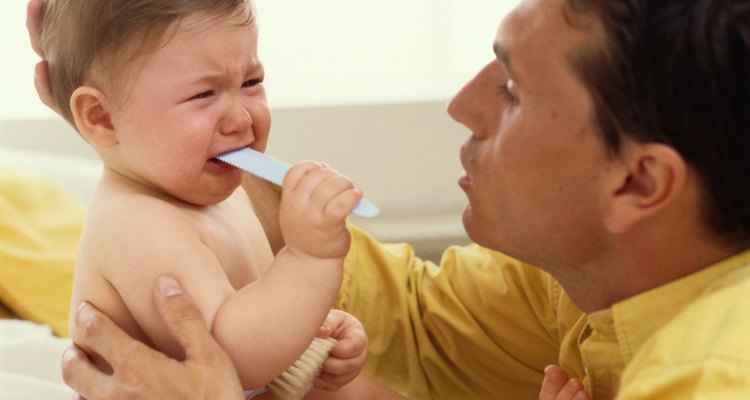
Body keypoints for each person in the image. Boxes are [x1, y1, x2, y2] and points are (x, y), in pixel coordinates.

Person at [29, 0, 750, 398]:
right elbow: (419, 320)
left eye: (511, 89)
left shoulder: (715, 376)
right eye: (204, 89)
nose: (462, 107)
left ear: (640, 183)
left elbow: (241, 352)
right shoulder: (592, 270)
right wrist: (136, 110)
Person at [37, 0, 367, 397]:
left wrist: (312, 326)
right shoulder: (139, 226)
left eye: (250, 83)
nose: (242, 119)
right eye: (203, 94)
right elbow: (232, 358)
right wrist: (309, 260)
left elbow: (250, 304)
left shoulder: (211, 193)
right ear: (101, 117)